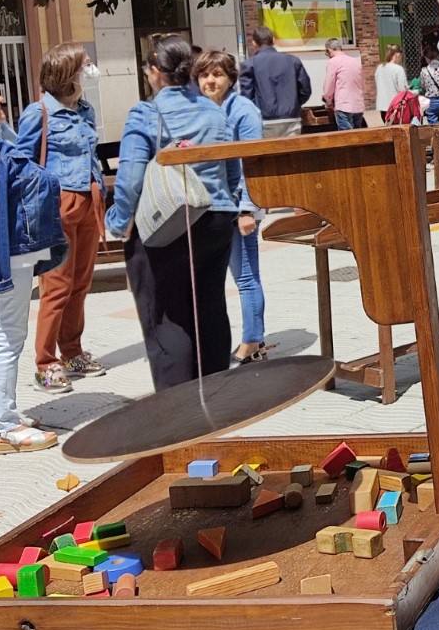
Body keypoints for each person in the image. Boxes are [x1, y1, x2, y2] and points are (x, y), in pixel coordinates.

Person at [106, 37, 243, 389]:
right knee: (210, 307)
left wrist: (119, 222)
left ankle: (178, 408)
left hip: (169, 222)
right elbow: (232, 170)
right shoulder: (215, 111)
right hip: (216, 219)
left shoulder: (147, 112)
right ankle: (217, 394)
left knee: (167, 315)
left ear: (155, 72)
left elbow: (131, 176)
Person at [14, 45, 106, 394]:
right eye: (85, 65)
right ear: (68, 73)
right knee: (56, 287)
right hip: (57, 206)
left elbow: (90, 154)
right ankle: (45, 362)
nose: (90, 70)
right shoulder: (39, 113)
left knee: (80, 284)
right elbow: (22, 164)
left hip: (88, 201)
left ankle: (72, 351)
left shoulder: (84, 110)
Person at [0, 91, 65, 452]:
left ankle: (3, 413)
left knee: (5, 337)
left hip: (10, 252)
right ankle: (4, 425)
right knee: (7, 338)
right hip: (8, 254)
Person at [193, 50, 268, 364]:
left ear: (231, 78)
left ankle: (253, 341)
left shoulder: (243, 110)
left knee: (246, 276)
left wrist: (247, 210)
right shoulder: (205, 110)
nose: (210, 81)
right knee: (229, 277)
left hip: (240, 207)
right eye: (205, 75)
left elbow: (252, 161)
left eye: (217, 74)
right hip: (214, 208)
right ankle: (251, 339)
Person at [239, 27, 311, 138]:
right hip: (291, 117)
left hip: (264, 119)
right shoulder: (293, 61)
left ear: (254, 43)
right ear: (273, 40)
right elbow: (305, 90)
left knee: (268, 154)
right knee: (292, 152)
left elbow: (246, 96)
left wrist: (257, 108)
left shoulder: (249, 64)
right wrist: (295, 103)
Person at [322, 38, 367, 130]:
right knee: (358, 137)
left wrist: (328, 100)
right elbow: (362, 83)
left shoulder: (333, 62)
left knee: (346, 138)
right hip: (358, 105)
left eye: (327, 52)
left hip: (343, 105)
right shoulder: (355, 61)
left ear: (329, 50)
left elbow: (329, 86)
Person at [374, 45, 408, 122]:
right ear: (397, 54)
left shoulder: (379, 68)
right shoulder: (398, 69)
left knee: (388, 128)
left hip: (382, 105)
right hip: (395, 106)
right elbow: (402, 89)